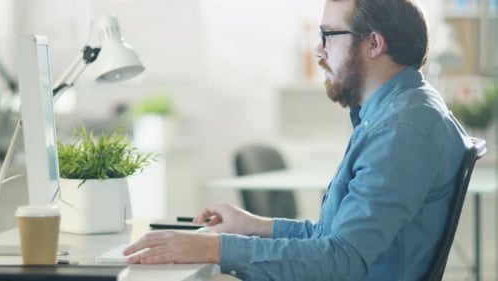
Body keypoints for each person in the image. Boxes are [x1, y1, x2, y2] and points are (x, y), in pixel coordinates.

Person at [124, 0, 470, 280]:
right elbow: (333, 238)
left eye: (327, 36)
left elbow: (339, 261)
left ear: (374, 43)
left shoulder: (401, 132)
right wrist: (255, 227)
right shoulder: (404, 111)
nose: (319, 52)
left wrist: (212, 249)